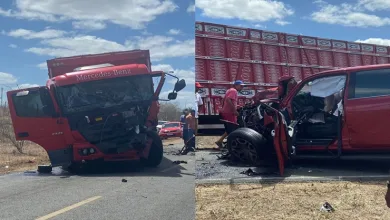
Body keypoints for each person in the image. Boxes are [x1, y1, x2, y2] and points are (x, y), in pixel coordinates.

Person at [215, 80, 244, 149]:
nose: (242, 88)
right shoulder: (234, 91)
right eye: (241, 86)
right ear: (236, 85)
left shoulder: (230, 90)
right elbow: (228, 100)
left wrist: (237, 106)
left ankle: (220, 141)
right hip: (229, 113)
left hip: (226, 112)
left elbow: (226, 100)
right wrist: (234, 110)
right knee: (233, 129)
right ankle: (231, 145)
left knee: (230, 129)